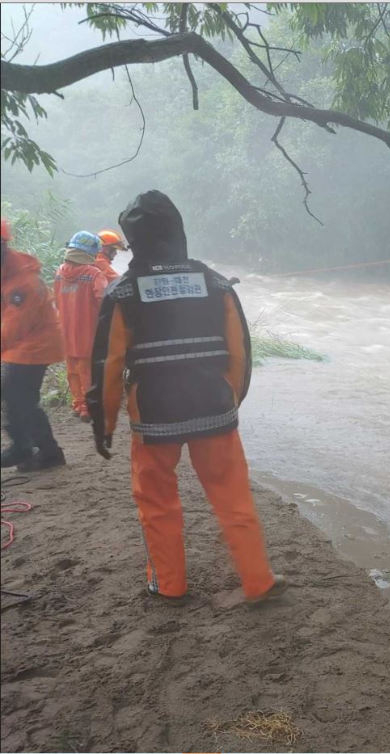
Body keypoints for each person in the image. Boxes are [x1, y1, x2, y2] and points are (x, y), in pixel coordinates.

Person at [87, 190, 285, 604]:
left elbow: (109, 364)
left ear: (134, 240)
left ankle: (169, 585)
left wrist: (104, 425)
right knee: (233, 497)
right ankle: (258, 580)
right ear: (178, 231)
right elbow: (239, 353)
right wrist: (230, 400)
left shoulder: (123, 293)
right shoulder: (215, 283)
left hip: (153, 413)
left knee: (157, 502)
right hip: (213, 404)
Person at [0, 216, 67, 471]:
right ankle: (40, 450)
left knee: (16, 395)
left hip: (35, 344)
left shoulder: (22, 283)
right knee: (19, 397)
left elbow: (13, 328)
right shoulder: (8, 271)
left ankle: (29, 449)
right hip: (24, 343)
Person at [54, 231, 109, 423]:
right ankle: (88, 407)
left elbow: (56, 301)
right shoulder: (94, 274)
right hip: (88, 335)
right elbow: (104, 302)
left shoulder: (59, 273)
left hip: (66, 334)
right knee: (89, 372)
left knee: (73, 372)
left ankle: (78, 404)